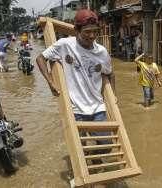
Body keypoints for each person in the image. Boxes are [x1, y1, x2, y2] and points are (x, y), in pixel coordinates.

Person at [36, 9, 114, 163]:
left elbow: (110, 73)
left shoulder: (102, 52)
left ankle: (95, 160)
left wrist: (114, 95)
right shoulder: (65, 44)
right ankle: (88, 175)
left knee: (106, 145)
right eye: (87, 32)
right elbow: (40, 58)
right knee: (80, 147)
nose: (92, 36)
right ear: (77, 30)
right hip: (75, 107)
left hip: (97, 107)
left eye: (95, 32)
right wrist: (50, 81)